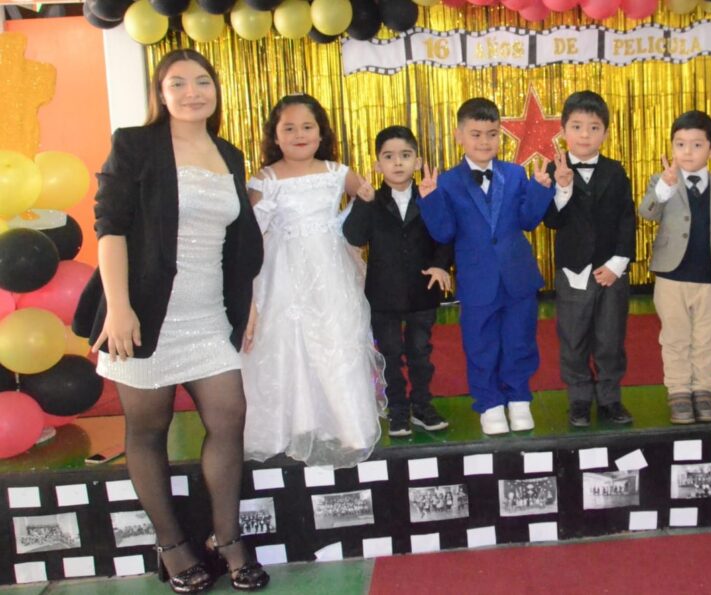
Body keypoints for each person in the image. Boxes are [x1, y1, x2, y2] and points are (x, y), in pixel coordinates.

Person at [72, 49, 268, 592]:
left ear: (216, 90)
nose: (191, 92)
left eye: (201, 81)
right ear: (160, 94)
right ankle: (173, 546)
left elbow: (239, 242)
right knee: (148, 430)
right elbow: (110, 229)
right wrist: (119, 307)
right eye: (176, 83)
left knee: (228, 417)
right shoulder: (136, 144)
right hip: (143, 314)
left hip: (207, 314)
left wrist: (247, 302)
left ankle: (226, 539)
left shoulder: (228, 153)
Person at [240, 94, 386, 467]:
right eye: (289, 128)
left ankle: (347, 424)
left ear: (321, 133)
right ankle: (290, 426)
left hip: (330, 272)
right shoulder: (266, 178)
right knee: (287, 342)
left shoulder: (337, 172)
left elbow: (365, 201)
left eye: (307, 127)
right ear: (275, 136)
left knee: (335, 340)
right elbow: (248, 233)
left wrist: (367, 196)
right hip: (282, 274)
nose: (299, 135)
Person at [418, 98, 561, 435]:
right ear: (459, 135)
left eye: (492, 134)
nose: (484, 141)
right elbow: (444, 232)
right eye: (476, 134)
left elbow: (527, 220)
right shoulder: (447, 182)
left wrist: (541, 189)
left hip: (517, 276)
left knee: (519, 340)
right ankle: (489, 403)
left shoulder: (515, 173)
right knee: (480, 344)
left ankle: (519, 398)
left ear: (500, 136)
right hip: (477, 278)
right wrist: (430, 199)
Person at [343, 126, 453, 437]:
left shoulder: (429, 195)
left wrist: (440, 265)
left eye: (405, 155)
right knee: (390, 354)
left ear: (417, 162)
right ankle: (398, 410)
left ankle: (422, 406)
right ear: (378, 165)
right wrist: (362, 203)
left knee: (420, 352)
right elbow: (354, 236)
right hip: (383, 295)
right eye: (389, 157)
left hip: (422, 291)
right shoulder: (372, 199)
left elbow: (446, 236)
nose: (397, 163)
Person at [639, 111, 711, 425]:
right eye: (680, 144)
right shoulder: (663, 181)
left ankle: (703, 389)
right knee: (675, 337)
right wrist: (664, 189)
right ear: (672, 147)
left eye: (697, 145)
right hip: (671, 276)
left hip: (710, 278)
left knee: (705, 338)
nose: (687, 151)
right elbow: (647, 212)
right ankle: (679, 391)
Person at [542, 91, 636, 427]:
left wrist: (618, 263)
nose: (585, 134)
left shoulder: (615, 171)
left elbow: (627, 218)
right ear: (563, 130)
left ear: (605, 133)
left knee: (610, 338)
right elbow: (551, 221)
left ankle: (610, 398)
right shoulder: (553, 169)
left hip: (611, 271)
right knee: (573, 338)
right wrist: (562, 188)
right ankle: (579, 399)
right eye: (577, 126)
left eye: (594, 127)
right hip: (573, 271)